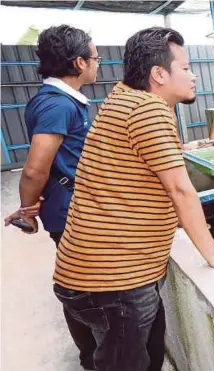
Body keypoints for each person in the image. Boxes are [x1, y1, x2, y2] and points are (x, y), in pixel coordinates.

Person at [52, 27, 214, 371]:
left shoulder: (124, 97)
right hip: (114, 283)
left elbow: (134, 155)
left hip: (90, 274)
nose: (193, 75)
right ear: (159, 74)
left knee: (143, 357)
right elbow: (180, 190)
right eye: (185, 67)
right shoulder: (149, 111)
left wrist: (179, 148)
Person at [2, 25, 101, 370]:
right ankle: (93, 357)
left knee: (80, 281)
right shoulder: (58, 106)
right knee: (83, 287)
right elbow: (34, 169)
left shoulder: (56, 100)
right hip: (71, 210)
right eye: (94, 56)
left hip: (68, 204)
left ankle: (93, 354)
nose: (98, 62)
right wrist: (28, 210)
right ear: (78, 63)